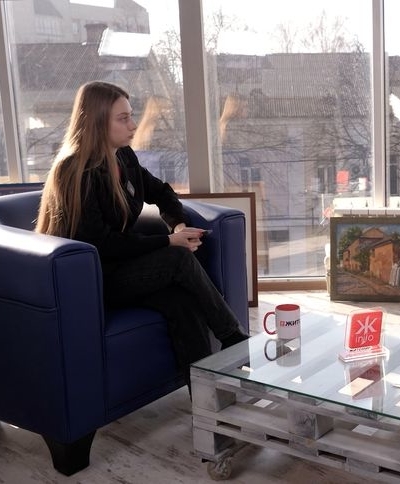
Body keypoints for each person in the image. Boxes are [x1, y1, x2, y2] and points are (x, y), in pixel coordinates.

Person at [36, 81, 249, 383]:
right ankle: (234, 338)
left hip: (124, 269)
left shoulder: (123, 157)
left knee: (183, 302)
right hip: (92, 281)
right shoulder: (74, 171)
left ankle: (208, 400)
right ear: (97, 121)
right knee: (178, 258)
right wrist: (169, 241)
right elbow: (102, 244)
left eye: (131, 116)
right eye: (123, 118)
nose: (133, 125)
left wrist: (178, 224)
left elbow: (162, 192)